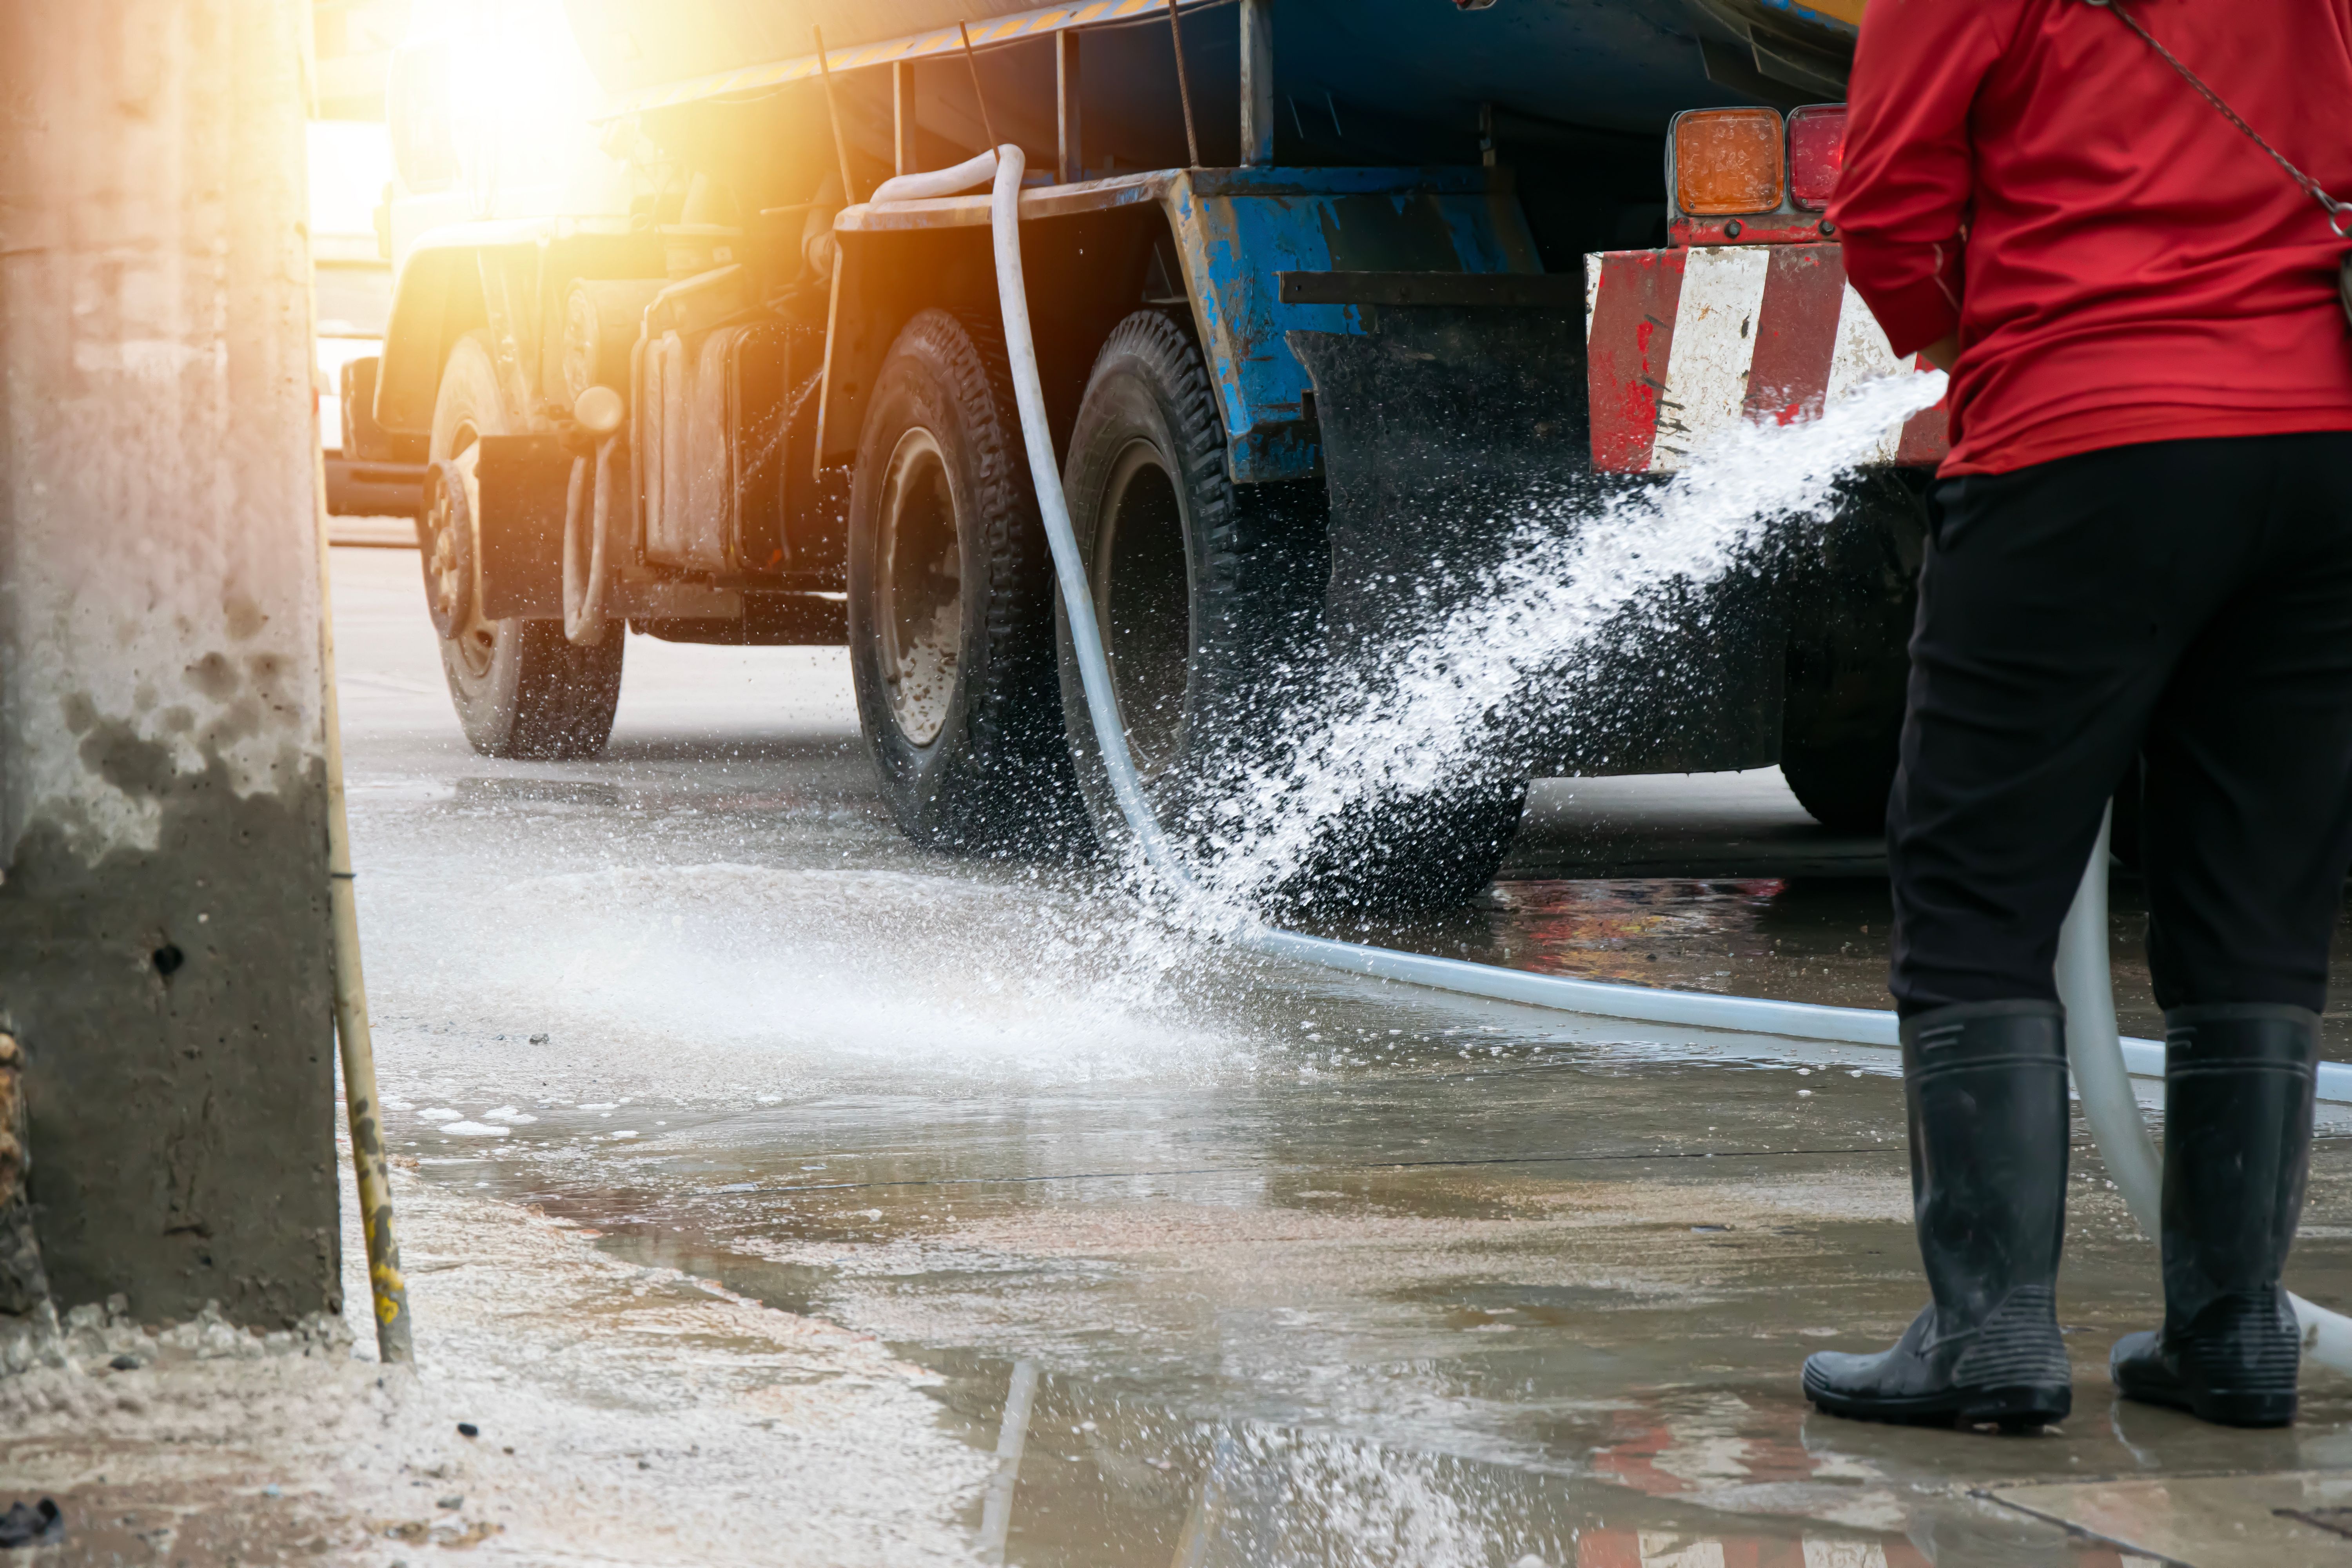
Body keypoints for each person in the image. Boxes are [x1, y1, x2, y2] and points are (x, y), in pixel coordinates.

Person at [1805, 0, 2352, 1431]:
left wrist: (1974, 348)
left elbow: (1886, 206)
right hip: (2323, 447)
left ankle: (1986, 1337)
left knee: (1979, 877)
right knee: (2260, 883)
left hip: (2086, 434)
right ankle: (2232, 1332)